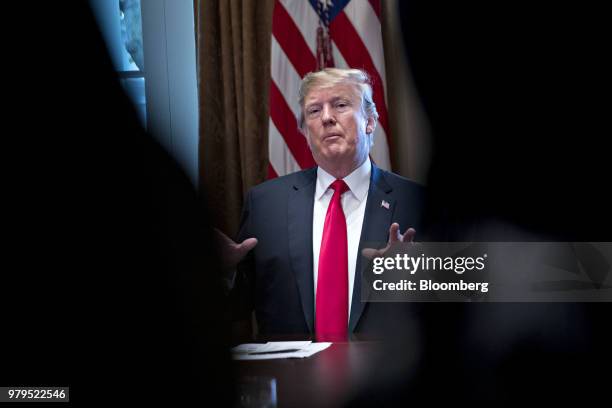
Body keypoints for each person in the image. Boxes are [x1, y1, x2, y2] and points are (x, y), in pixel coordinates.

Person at [226, 68, 425, 341]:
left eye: (341, 105)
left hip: (385, 377)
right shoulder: (265, 205)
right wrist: (222, 272)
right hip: (293, 379)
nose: (327, 117)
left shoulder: (418, 202)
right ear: (305, 132)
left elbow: (467, 311)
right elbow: (233, 308)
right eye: (314, 111)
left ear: (370, 121)